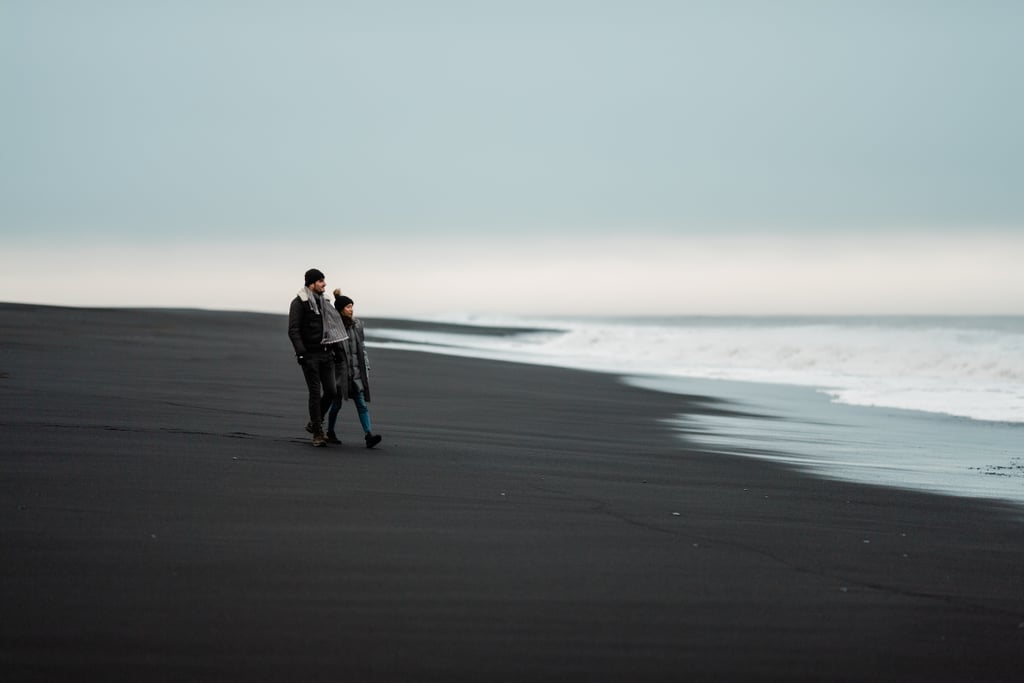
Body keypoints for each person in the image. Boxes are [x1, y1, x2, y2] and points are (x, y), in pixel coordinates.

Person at [288, 268, 348, 447]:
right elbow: (293, 330)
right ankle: (317, 433)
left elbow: (332, 328)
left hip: (326, 354)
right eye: (321, 281)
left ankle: (314, 422)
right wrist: (301, 353)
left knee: (331, 391)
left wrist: (337, 351)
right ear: (311, 283)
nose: (324, 284)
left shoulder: (326, 302)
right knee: (314, 393)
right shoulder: (299, 303)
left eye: (324, 280)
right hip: (310, 356)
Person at [326, 289, 382, 448]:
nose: (351, 309)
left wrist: (367, 366)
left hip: (356, 373)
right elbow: (329, 351)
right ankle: (330, 432)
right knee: (336, 405)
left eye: (352, 306)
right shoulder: (334, 328)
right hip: (340, 374)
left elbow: (362, 348)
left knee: (362, 404)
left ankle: (368, 435)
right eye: (348, 306)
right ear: (341, 309)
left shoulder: (357, 325)